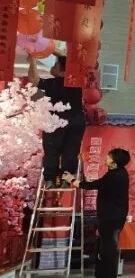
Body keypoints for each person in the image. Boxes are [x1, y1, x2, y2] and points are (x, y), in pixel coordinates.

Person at [67, 148, 130, 278]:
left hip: (112, 219)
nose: (106, 158)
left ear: (114, 162)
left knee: (108, 252)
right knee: (102, 251)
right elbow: (98, 183)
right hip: (107, 217)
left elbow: (93, 185)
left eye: (109, 157)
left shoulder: (117, 176)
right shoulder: (114, 173)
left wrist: (72, 180)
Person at [29, 54, 85, 187]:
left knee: (52, 151)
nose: (52, 67)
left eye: (55, 65)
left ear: (62, 70)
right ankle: (67, 179)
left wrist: (32, 60)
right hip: (76, 121)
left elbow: (34, 79)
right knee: (71, 151)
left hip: (55, 122)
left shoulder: (51, 83)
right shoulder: (78, 83)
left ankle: (50, 180)